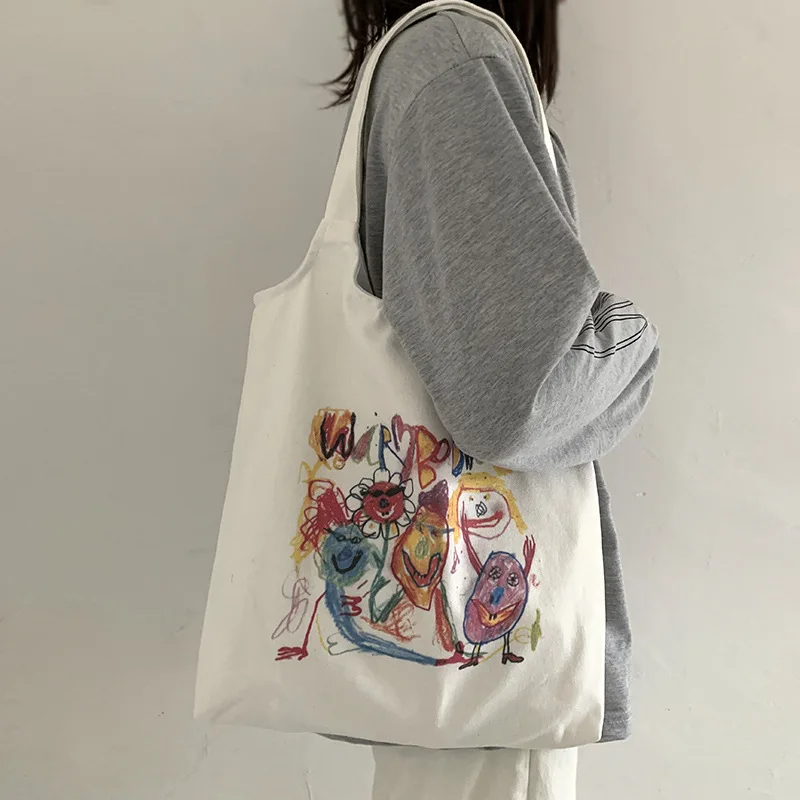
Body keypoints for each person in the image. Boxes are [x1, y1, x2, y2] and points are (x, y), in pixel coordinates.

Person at [328, 1, 660, 797]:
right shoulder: (456, 62)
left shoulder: (432, 59)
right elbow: (519, 399)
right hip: (486, 684)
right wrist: (636, 344)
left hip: (459, 668)